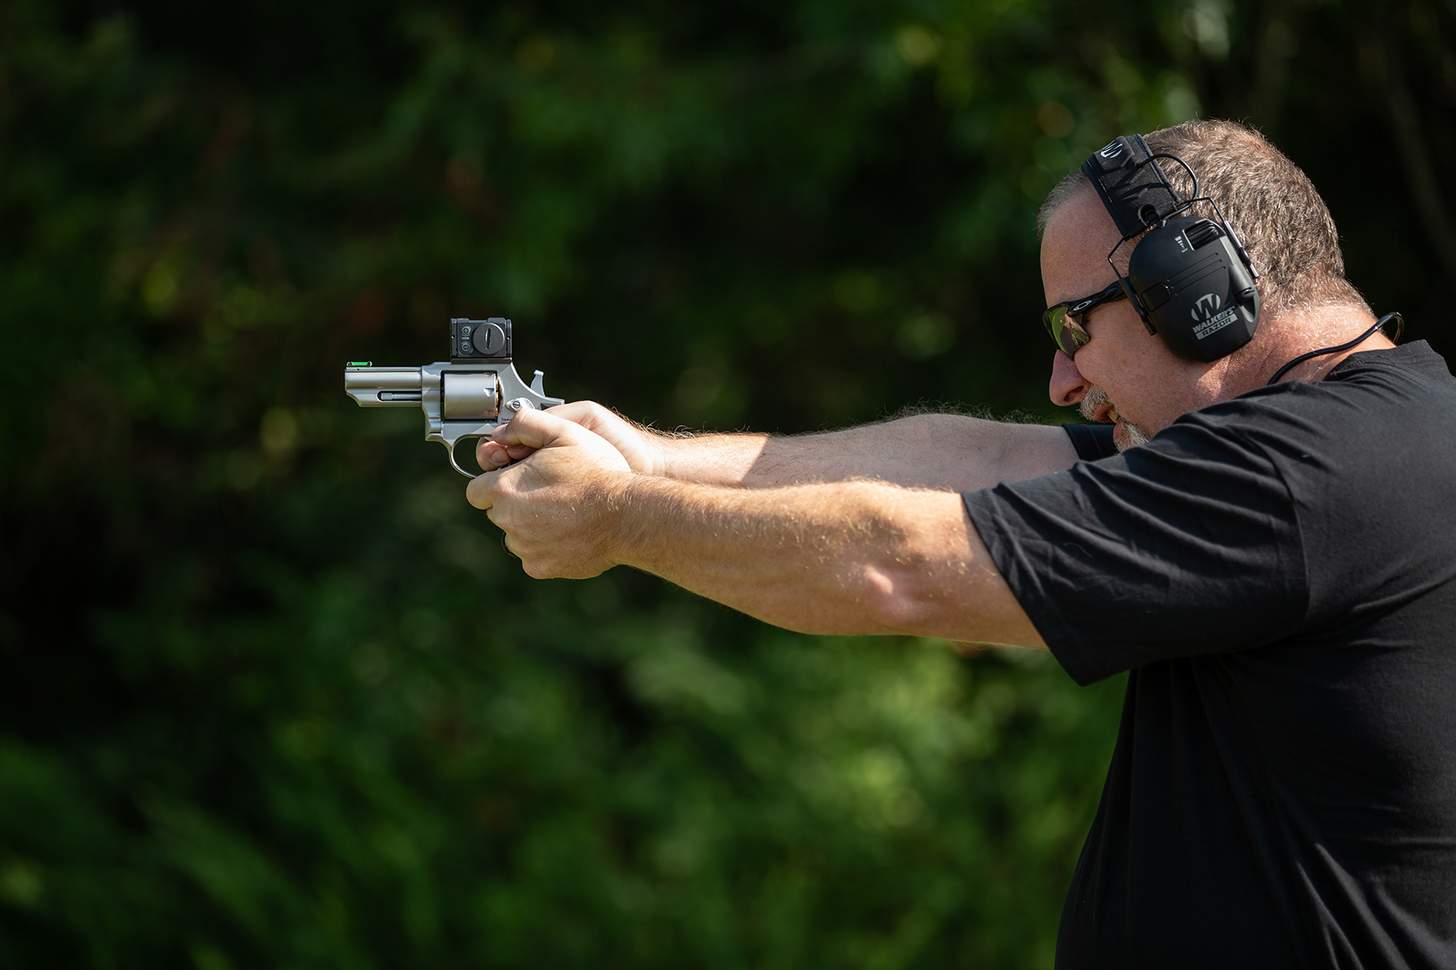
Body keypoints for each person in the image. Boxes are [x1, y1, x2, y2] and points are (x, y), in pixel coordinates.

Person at [466, 119, 1456, 967]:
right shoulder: (1371, 434)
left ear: (1198, 288)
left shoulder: (1305, 473)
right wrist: (646, 460)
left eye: (1076, 326)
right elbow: (960, 457)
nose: (1064, 379)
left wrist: (624, 520)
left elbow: (899, 566)